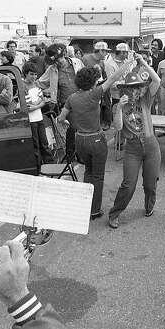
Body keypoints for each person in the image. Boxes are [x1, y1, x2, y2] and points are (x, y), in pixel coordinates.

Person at [58, 65, 130, 219]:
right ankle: (94, 210)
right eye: (96, 80)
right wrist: (127, 64)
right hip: (95, 139)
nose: (98, 82)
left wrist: (67, 123)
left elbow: (61, 118)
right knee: (98, 176)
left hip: (80, 139)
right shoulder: (94, 94)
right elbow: (112, 78)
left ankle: (87, 206)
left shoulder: (72, 97)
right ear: (92, 82)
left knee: (88, 172)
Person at [108, 56, 162, 229]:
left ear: (140, 89)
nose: (133, 92)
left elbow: (157, 80)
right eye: (130, 89)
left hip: (151, 145)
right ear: (125, 90)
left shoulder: (145, 100)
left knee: (150, 182)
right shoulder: (119, 106)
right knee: (128, 184)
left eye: (137, 88)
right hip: (132, 148)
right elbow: (117, 127)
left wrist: (143, 62)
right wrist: (120, 108)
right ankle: (114, 213)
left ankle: (149, 206)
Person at [37, 43, 84, 160]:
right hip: (66, 104)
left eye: (59, 58)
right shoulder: (52, 69)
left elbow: (87, 77)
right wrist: (28, 85)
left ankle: (76, 153)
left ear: (64, 54)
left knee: (80, 128)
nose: (58, 62)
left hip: (82, 100)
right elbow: (40, 83)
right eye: (55, 61)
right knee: (73, 127)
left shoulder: (77, 63)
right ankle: (71, 154)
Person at [23, 63, 53, 165]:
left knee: (44, 143)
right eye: (32, 74)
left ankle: (49, 164)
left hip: (39, 118)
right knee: (35, 144)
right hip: (30, 120)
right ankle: (38, 166)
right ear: (26, 74)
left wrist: (36, 105)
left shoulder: (36, 84)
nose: (34, 77)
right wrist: (38, 103)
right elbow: (28, 106)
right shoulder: (23, 86)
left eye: (35, 74)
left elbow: (43, 101)